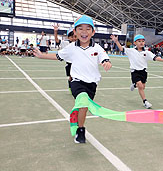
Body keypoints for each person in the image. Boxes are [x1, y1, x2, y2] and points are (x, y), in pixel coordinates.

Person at [34, 15, 112, 143]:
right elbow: (58, 56)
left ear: (93, 32)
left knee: (84, 108)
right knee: (82, 99)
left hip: (92, 83)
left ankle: (79, 127)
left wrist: (106, 62)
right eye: (80, 29)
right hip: (76, 81)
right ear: (75, 32)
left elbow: (104, 57)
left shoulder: (97, 48)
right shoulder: (71, 47)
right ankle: (81, 131)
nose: (84, 32)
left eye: (88, 29)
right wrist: (42, 56)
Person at [110, 34, 163, 109]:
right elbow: (122, 49)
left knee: (142, 86)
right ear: (135, 43)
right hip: (135, 71)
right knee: (140, 85)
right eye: (139, 41)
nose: (141, 43)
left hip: (143, 72)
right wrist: (116, 41)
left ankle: (134, 85)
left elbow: (155, 58)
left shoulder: (147, 52)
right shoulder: (131, 51)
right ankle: (145, 101)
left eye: (143, 41)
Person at [53, 23, 78, 90]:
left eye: (75, 36)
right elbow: (57, 40)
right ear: (68, 37)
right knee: (71, 77)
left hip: (78, 64)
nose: (74, 38)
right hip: (69, 64)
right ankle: (71, 87)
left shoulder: (80, 44)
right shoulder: (66, 43)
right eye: (72, 37)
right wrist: (55, 31)